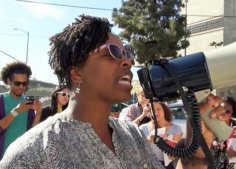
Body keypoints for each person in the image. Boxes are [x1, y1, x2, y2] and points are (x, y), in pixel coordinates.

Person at [0, 15, 164, 168]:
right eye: (112, 52)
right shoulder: (30, 154)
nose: (128, 61)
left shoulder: (133, 134)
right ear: (76, 72)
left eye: (127, 54)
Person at [0, 61, 42, 159]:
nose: (21, 87)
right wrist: (16, 111)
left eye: (24, 83)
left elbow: (32, 132)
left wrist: (38, 113)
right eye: (17, 83)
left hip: (21, 158)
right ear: (8, 81)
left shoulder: (28, 103)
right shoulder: (1, 100)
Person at [139, 101, 182, 168]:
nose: (156, 113)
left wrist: (166, 141)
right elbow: (140, 150)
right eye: (152, 110)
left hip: (167, 165)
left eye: (159, 109)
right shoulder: (143, 128)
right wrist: (150, 138)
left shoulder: (176, 129)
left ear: (164, 110)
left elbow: (172, 156)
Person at [211, 96, 236, 169]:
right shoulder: (211, 125)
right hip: (214, 164)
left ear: (232, 112)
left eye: (227, 111)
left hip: (233, 165)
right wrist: (211, 144)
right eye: (221, 110)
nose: (224, 113)